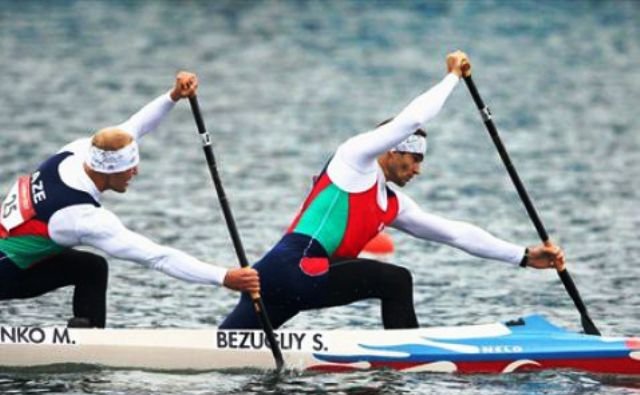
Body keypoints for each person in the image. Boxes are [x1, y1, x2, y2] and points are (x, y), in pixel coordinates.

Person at [221, 51, 565, 331]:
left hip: (282, 277)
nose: (418, 169)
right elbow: (410, 120)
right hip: (293, 267)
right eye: (413, 159)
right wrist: (453, 78)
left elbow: (456, 234)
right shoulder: (354, 160)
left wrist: (521, 255)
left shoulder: (393, 205)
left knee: (227, 346)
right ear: (391, 150)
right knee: (396, 281)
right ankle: (409, 360)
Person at [0, 72, 259, 328]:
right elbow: (158, 257)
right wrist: (224, 277)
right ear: (109, 171)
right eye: (130, 168)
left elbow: (136, 124)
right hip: (6, 272)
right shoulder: (82, 217)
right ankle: (86, 347)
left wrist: (174, 96)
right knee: (90, 268)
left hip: (16, 256)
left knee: (92, 268)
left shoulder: (77, 151)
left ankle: (86, 341)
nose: (135, 172)